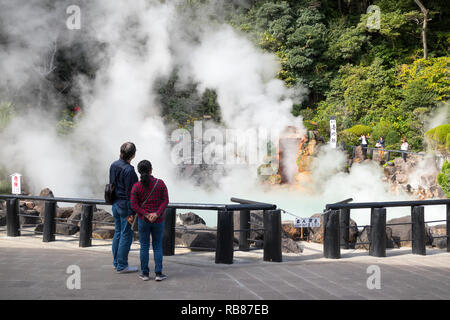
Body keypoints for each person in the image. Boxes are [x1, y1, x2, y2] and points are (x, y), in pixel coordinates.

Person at [130, 160, 169, 281]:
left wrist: (145, 214)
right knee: (157, 246)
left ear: (139, 171)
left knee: (144, 246)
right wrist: (156, 214)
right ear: (151, 169)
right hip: (158, 220)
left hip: (143, 220)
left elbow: (133, 205)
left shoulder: (136, 186)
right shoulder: (160, 183)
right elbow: (165, 200)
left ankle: (145, 273)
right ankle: (158, 273)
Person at [110, 142, 139, 273]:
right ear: (133, 155)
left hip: (115, 204)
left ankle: (116, 262)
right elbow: (131, 193)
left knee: (117, 233)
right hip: (125, 207)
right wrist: (130, 212)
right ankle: (122, 265)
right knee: (126, 235)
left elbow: (112, 184)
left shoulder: (113, 165)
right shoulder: (129, 170)